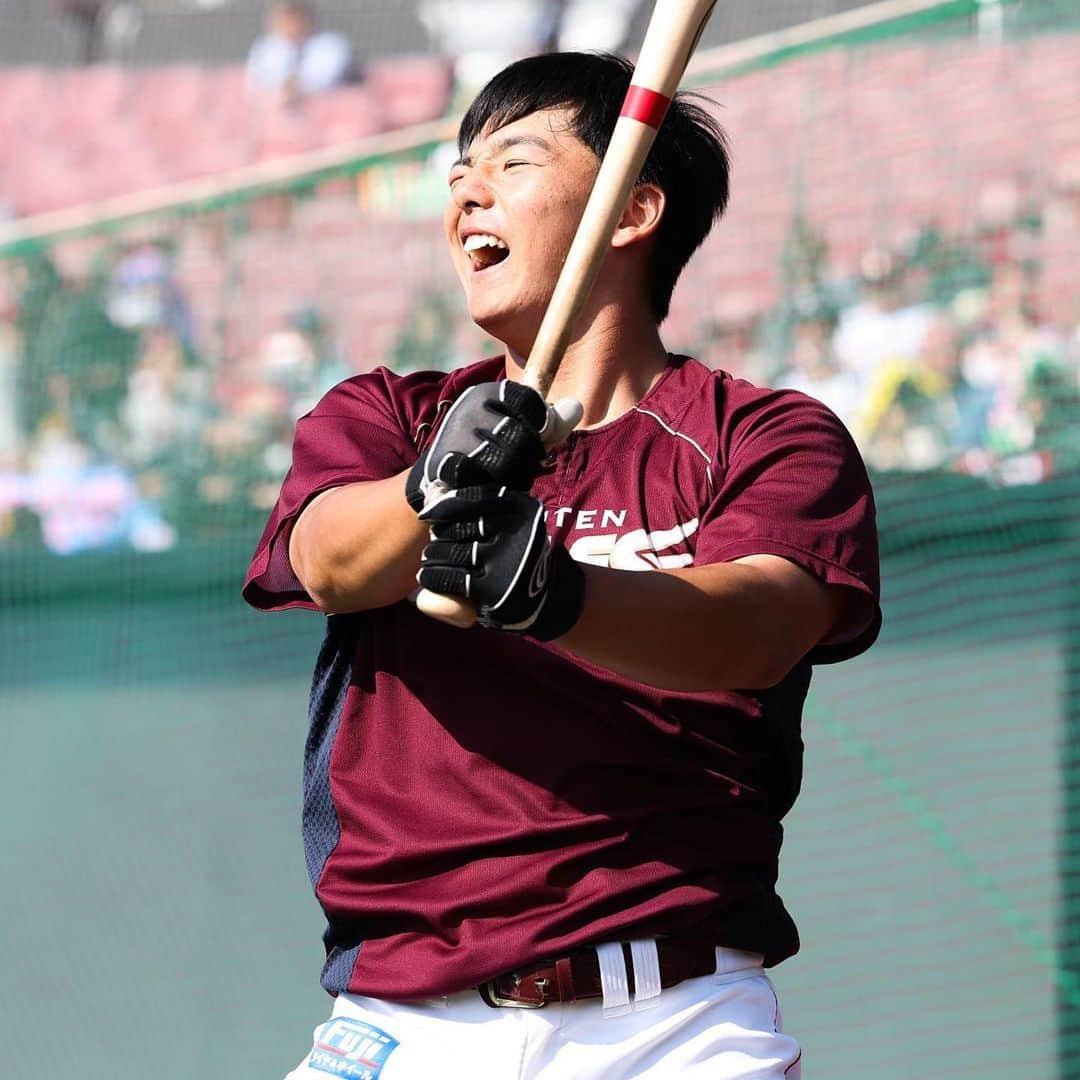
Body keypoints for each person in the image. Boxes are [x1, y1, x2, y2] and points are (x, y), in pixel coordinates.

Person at [244, 51, 881, 1079]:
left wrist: (557, 594)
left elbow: (757, 625)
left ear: (631, 214)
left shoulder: (767, 436)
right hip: (404, 1023)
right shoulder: (388, 415)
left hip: (675, 1026)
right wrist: (433, 484)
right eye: (458, 172)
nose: (466, 193)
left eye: (513, 161)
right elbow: (326, 559)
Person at [245, 1, 355, 104]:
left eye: (295, 18)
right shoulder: (267, 48)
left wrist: (299, 86)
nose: (291, 25)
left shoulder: (331, 45)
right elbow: (259, 79)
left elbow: (327, 76)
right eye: (286, 19)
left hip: (330, 110)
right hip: (278, 114)